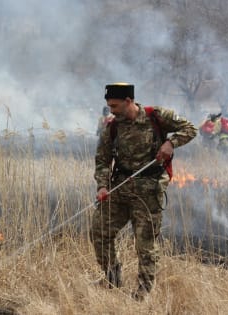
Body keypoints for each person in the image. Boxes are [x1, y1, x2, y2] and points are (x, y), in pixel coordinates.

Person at [90, 83, 197, 300]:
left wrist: (171, 142)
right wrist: (102, 185)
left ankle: (143, 291)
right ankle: (112, 278)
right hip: (119, 188)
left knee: (145, 243)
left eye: (115, 105)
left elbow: (190, 129)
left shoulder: (156, 116)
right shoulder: (111, 127)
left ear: (129, 101)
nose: (112, 110)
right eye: (109, 106)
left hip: (148, 190)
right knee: (99, 231)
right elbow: (102, 160)